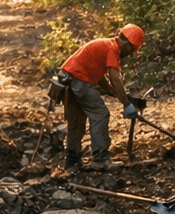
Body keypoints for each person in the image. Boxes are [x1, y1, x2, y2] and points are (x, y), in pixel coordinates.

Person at [56, 23, 144, 171]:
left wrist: (110, 90)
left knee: (77, 120)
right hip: (79, 80)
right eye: (131, 50)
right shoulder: (113, 49)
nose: (129, 53)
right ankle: (100, 158)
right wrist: (126, 104)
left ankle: (72, 159)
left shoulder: (105, 45)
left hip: (67, 78)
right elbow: (115, 78)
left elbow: (99, 75)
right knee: (100, 114)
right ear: (128, 45)